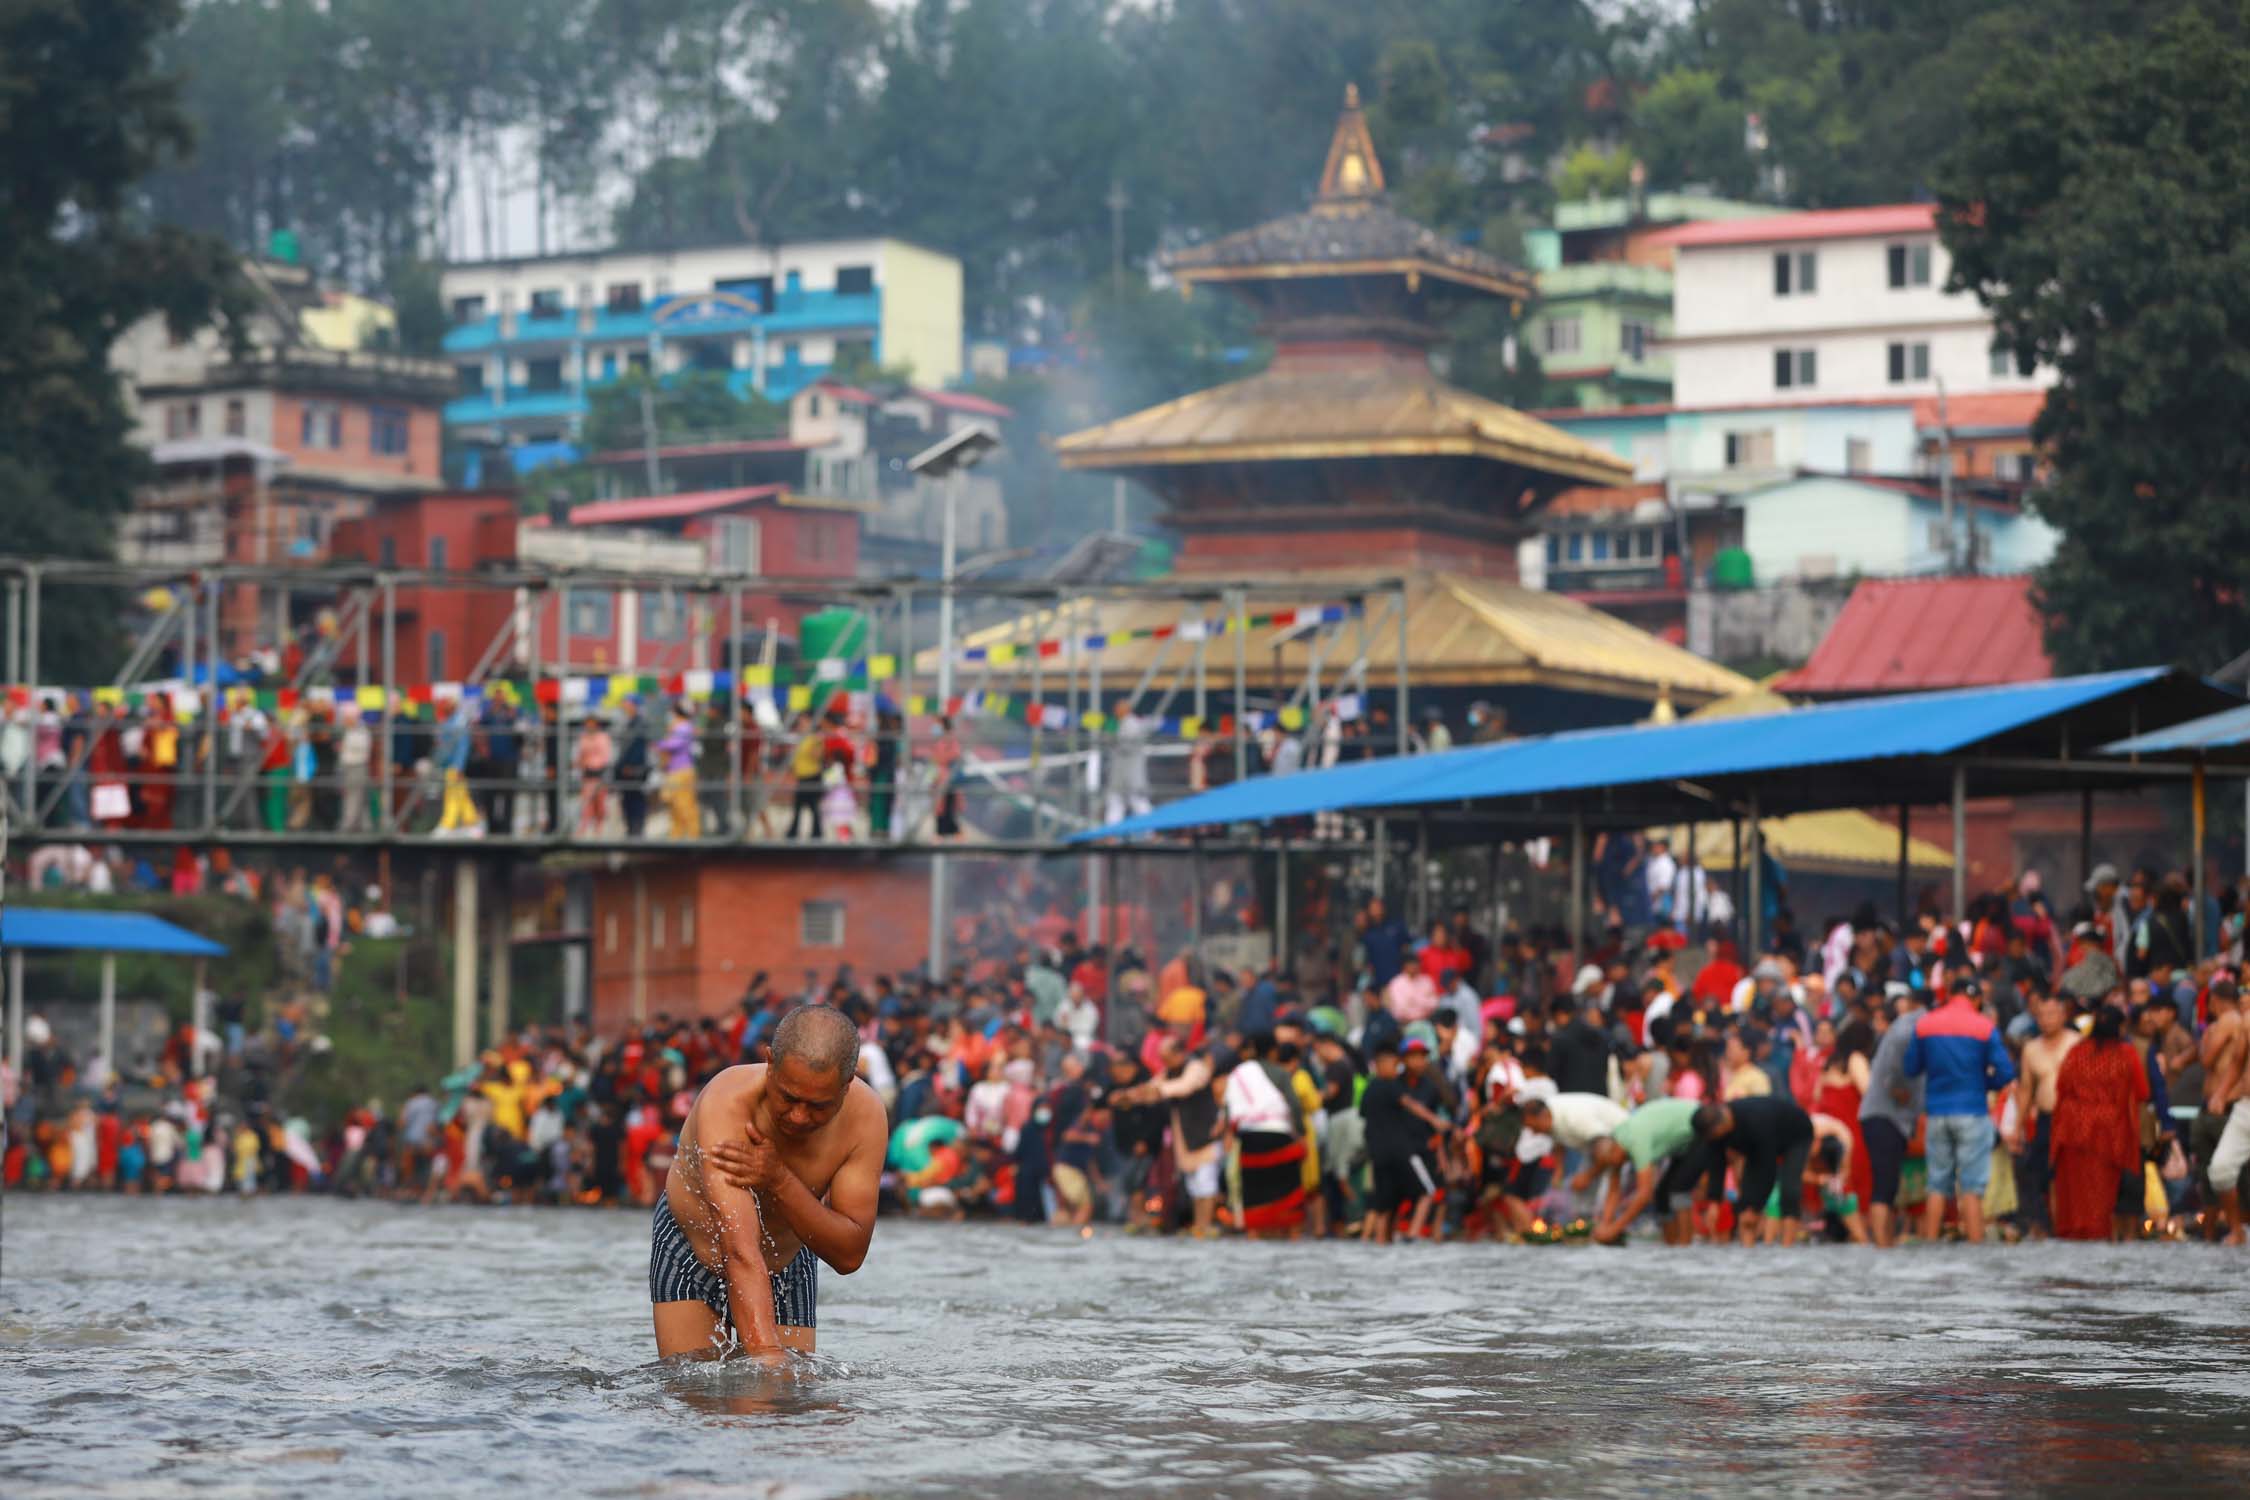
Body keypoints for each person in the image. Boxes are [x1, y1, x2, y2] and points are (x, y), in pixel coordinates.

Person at [651, 1005, 885, 1357]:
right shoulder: (727, 1101)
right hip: (693, 1251)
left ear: (846, 1085)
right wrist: (767, 1357)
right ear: (770, 1063)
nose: (799, 1116)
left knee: (784, 1404)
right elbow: (739, 1250)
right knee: (695, 1391)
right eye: (789, 1098)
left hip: (787, 1257)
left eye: (818, 1105)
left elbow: (849, 1256)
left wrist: (779, 1179)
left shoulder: (866, 1117)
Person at [1905, 977, 2014, 1246]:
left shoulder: (1926, 1024)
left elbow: (1910, 1068)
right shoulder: (1984, 1027)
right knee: (1972, 1189)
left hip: (1937, 1113)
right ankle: (1975, 1248)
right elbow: (2007, 1073)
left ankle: (1930, 1245)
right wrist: (1982, 1082)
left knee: (1936, 1185)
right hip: (1973, 1112)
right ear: (1976, 1000)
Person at [2048, 1007, 2150, 1241]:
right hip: (2108, 1128)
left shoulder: (2076, 1052)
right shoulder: (2126, 1053)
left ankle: (2073, 1232)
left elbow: (2062, 1086)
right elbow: (2142, 1091)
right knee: (2101, 1188)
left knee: (2073, 1186)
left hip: (2072, 1125)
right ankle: (2097, 1233)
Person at [1694, 1094, 1815, 1247]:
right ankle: (1747, 1249)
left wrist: (1755, 1206)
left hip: (1797, 1135)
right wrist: (1714, 1201)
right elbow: (1717, 1164)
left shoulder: (1755, 1120)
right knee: (1746, 1206)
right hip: (1760, 1147)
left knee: (1789, 1189)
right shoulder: (1715, 1133)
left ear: (1720, 1126)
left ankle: (1787, 1246)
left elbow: (1766, 1168)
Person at [2008, 992, 2079, 1240]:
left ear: (2063, 1015)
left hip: (2074, 1119)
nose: (2047, 1020)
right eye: (2042, 1015)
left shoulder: (2076, 1042)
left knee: (2070, 1177)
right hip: (2046, 1119)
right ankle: (2049, 1226)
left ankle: (2067, 1227)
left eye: (2052, 1014)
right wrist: (2017, 1127)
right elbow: (2026, 1089)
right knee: (2043, 1175)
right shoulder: (2031, 1049)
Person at [2196, 979, 2249, 1243]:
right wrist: (2221, 1093)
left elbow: (2207, 1058)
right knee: (2220, 1170)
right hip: (2244, 1106)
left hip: (2237, 1105)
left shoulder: (2230, 1021)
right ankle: (2237, 1230)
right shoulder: (2246, 1021)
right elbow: (2238, 1063)